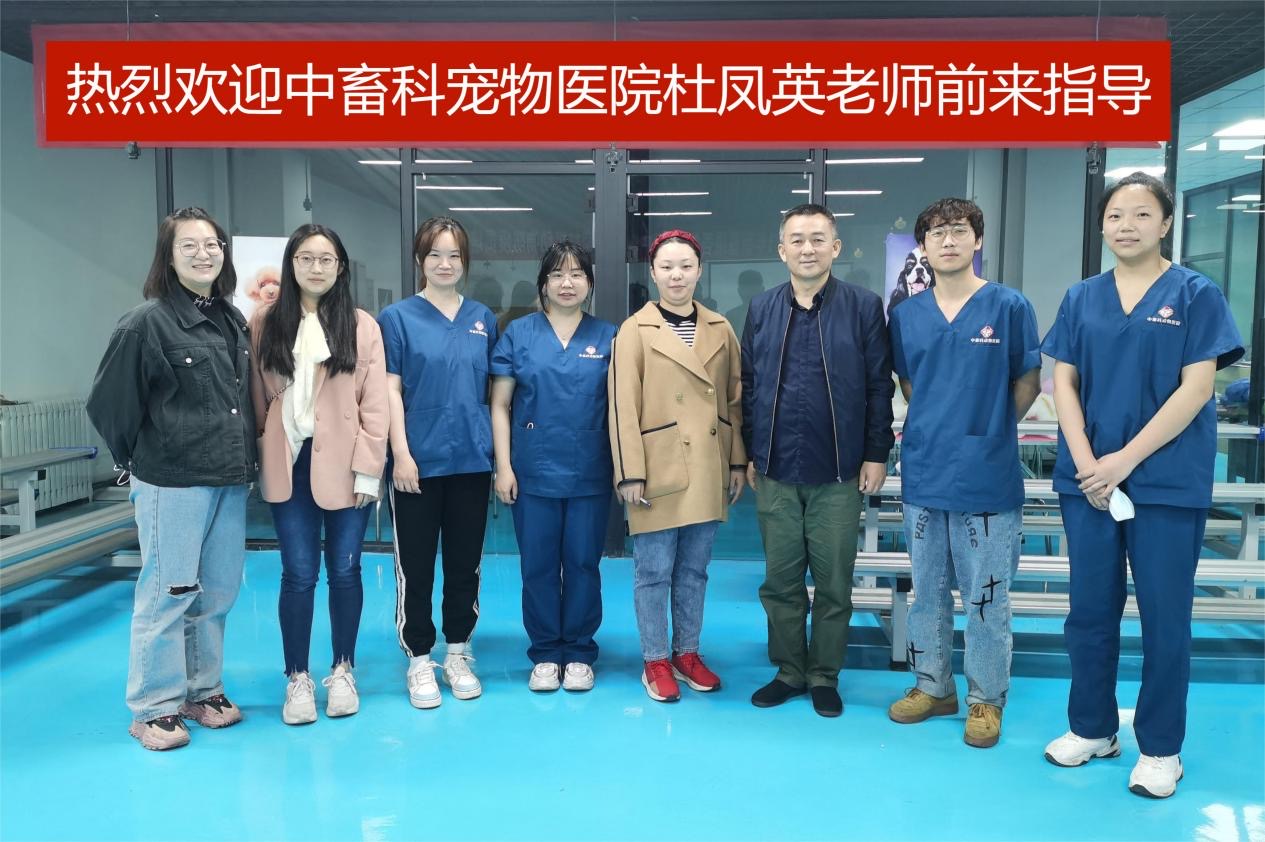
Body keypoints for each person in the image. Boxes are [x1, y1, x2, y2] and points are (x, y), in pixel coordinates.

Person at [1041, 172, 1243, 798]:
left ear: (1165, 224)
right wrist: (1086, 462)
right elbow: (1064, 382)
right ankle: (1092, 728)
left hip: (1165, 482)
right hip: (1089, 484)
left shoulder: (1196, 294)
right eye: (1115, 216)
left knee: (1165, 617)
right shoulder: (1081, 297)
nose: (1125, 225)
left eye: (1141, 214)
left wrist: (1121, 461)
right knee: (1088, 613)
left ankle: (1160, 749)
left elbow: (1197, 388)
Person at [86, 207, 256, 750]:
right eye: (190, 246)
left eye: (212, 245)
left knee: (218, 591)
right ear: (169, 256)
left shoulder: (232, 320)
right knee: (169, 590)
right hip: (173, 481)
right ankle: (154, 706)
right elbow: (109, 405)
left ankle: (202, 690)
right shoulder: (146, 323)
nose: (204, 254)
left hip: (228, 478)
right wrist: (138, 462)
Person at [885, 198, 1041, 748]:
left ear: (978, 240)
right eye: (936, 233)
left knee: (986, 594)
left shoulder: (1009, 306)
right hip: (925, 471)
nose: (947, 241)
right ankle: (933, 686)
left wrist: (987, 430)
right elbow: (911, 385)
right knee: (927, 591)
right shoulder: (906, 315)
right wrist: (945, 427)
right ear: (922, 247)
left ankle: (986, 698)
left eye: (958, 231)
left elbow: (1028, 381)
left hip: (988, 475)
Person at [741, 203, 894, 718]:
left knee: (833, 583)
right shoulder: (762, 308)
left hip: (840, 471)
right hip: (776, 470)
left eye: (817, 239)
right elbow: (750, 385)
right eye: (797, 240)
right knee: (780, 583)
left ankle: (824, 674)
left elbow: (878, 386)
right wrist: (751, 452)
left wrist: (876, 453)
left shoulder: (863, 307)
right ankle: (789, 670)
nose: (807, 249)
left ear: (836, 247)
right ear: (782, 250)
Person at [250, 224, 388, 724]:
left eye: (326, 259)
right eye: (305, 258)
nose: (315, 267)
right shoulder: (265, 323)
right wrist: (263, 450)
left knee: (345, 569)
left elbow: (375, 405)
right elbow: (257, 397)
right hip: (290, 460)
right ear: (291, 264)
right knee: (298, 572)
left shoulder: (361, 325)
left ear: (340, 267)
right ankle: (297, 678)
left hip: (347, 464)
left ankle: (343, 669)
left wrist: (369, 469)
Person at [609, 229, 746, 702]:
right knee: (653, 570)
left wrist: (736, 461)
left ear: (699, 271)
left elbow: (734, 401)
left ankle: (687, 653)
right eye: (667, 266)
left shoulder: (720, 328)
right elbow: (622, 405)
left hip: (706, 464)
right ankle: (654, 660)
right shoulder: (634, 330)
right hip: (656, 468)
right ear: (653, 273)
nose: (676, 275)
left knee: (694, 570)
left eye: (686, 266)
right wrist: (629, 471)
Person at [377, 216, 498, 709]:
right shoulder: (397, 318)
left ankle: (458, 651)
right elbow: (389, 390)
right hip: (418, 463)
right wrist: (402, 455)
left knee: (465, 563)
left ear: (465, 261)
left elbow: (491, 392)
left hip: (471, 460)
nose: (445, 264)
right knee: (417, 565)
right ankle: (420, 658)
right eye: (435, 255)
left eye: (454, 255)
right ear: (419, 260)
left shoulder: (482, 318)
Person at [490, 241, 616, 692]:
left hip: (590, 472)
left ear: (590, 283)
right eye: (558, 274)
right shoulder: (518, 334)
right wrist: (504, 467)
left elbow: (621, 409)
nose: (567, 283)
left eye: (577, 274)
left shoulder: (610, 337)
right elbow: (500, 405)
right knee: (538, 565)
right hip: (533, 471)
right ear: (543, 283)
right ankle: (545, 652)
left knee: (583, 563)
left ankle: (579, 651)